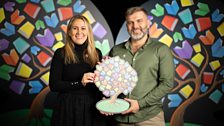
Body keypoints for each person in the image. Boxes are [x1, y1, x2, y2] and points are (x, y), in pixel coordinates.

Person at [108, 6, 174, 126]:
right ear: (127, 26)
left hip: (150, 117)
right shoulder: (116, 51)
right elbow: (112, 83)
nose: (135, 26)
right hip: (120, 118)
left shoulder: (161, 49)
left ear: (148, 23)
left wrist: (140, 104)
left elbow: (167, 83)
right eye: (130, 22)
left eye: (139, 21)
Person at [49, 15, 105, 126]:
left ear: (88, 31)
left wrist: (107, 71)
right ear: (69, 32)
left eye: (83, 28)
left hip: (91, 107)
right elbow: (54, 85)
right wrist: (80, 82)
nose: (79, 32)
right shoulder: (60, 53)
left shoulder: (96, 53)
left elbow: (99, 85)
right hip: (67, 107)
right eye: (75, 28)